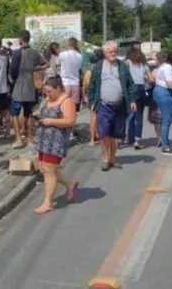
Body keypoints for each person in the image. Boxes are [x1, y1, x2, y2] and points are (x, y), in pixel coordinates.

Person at [86, 41, 138, 171]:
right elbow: (91, 86)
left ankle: (113, 158)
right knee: (103, 133)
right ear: (105, 53)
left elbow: (130, 85)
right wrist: (92, 102)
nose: (113, 53)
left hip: (120, 105)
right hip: (103, 105)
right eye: (110, 51)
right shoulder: (98, 66)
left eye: (115, 51)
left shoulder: (122, 66)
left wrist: (132, 100)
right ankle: (106, 158)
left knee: (116, 135)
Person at [33, 76, 79, 214]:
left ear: (58, 88)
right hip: (44, 139)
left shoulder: (66, 101)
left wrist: (51, 121)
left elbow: (70, 121)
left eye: (49, 91)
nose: (47, 94)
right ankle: (70, 184)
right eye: (45, 92)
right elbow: (42, 112)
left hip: (56, 141)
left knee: (49, 170)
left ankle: (48, 201)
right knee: (44, 168)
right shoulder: (48, 100)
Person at [10, 30, 48, 148]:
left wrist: (13, 79)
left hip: (18, 87)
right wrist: (34, 69)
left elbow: (13, 71)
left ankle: (18, 138)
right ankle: (30, 139)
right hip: (30, 87)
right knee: (29, 114)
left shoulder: (16, 53)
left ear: (21, 40)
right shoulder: (35, 53)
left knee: (14, 113)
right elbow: (47, 64)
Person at [125, 47, 152, 149]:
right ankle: (137, 140)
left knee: (129, 115)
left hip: (130, 89)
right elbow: (151, 79)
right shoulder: (144, 65)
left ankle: (128, 138)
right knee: (139, 115)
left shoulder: (127, 63)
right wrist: (148, 86)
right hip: (141, 89)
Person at [152, 51, 172, 154]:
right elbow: (170, 84)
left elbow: (154, 78)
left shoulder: (160, 68)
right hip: (165, 92)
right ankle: (165, 145)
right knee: (167, 120)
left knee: (163, 118)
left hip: (158, 90)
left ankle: (164, 141)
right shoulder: (167, 68)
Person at [57, 37, 83, 114]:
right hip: (75, 81)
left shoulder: (62, 54)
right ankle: (73, 121)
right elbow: (79, 68)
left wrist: (60, 72)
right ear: (76, 45)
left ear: (68, 44)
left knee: (64, 103)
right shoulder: (79, 56)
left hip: (65, 81)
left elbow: (57, 65)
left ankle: (64, 121)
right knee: (74, 105)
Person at [83, 49, 103, 145]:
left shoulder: (89, 71)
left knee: (93, 117)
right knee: (101, 117)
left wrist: (83, 96)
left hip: (91, 95)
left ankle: (92, 139)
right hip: (101, 95)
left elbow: (85, 85)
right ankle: (99, 136)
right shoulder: (103, 68)